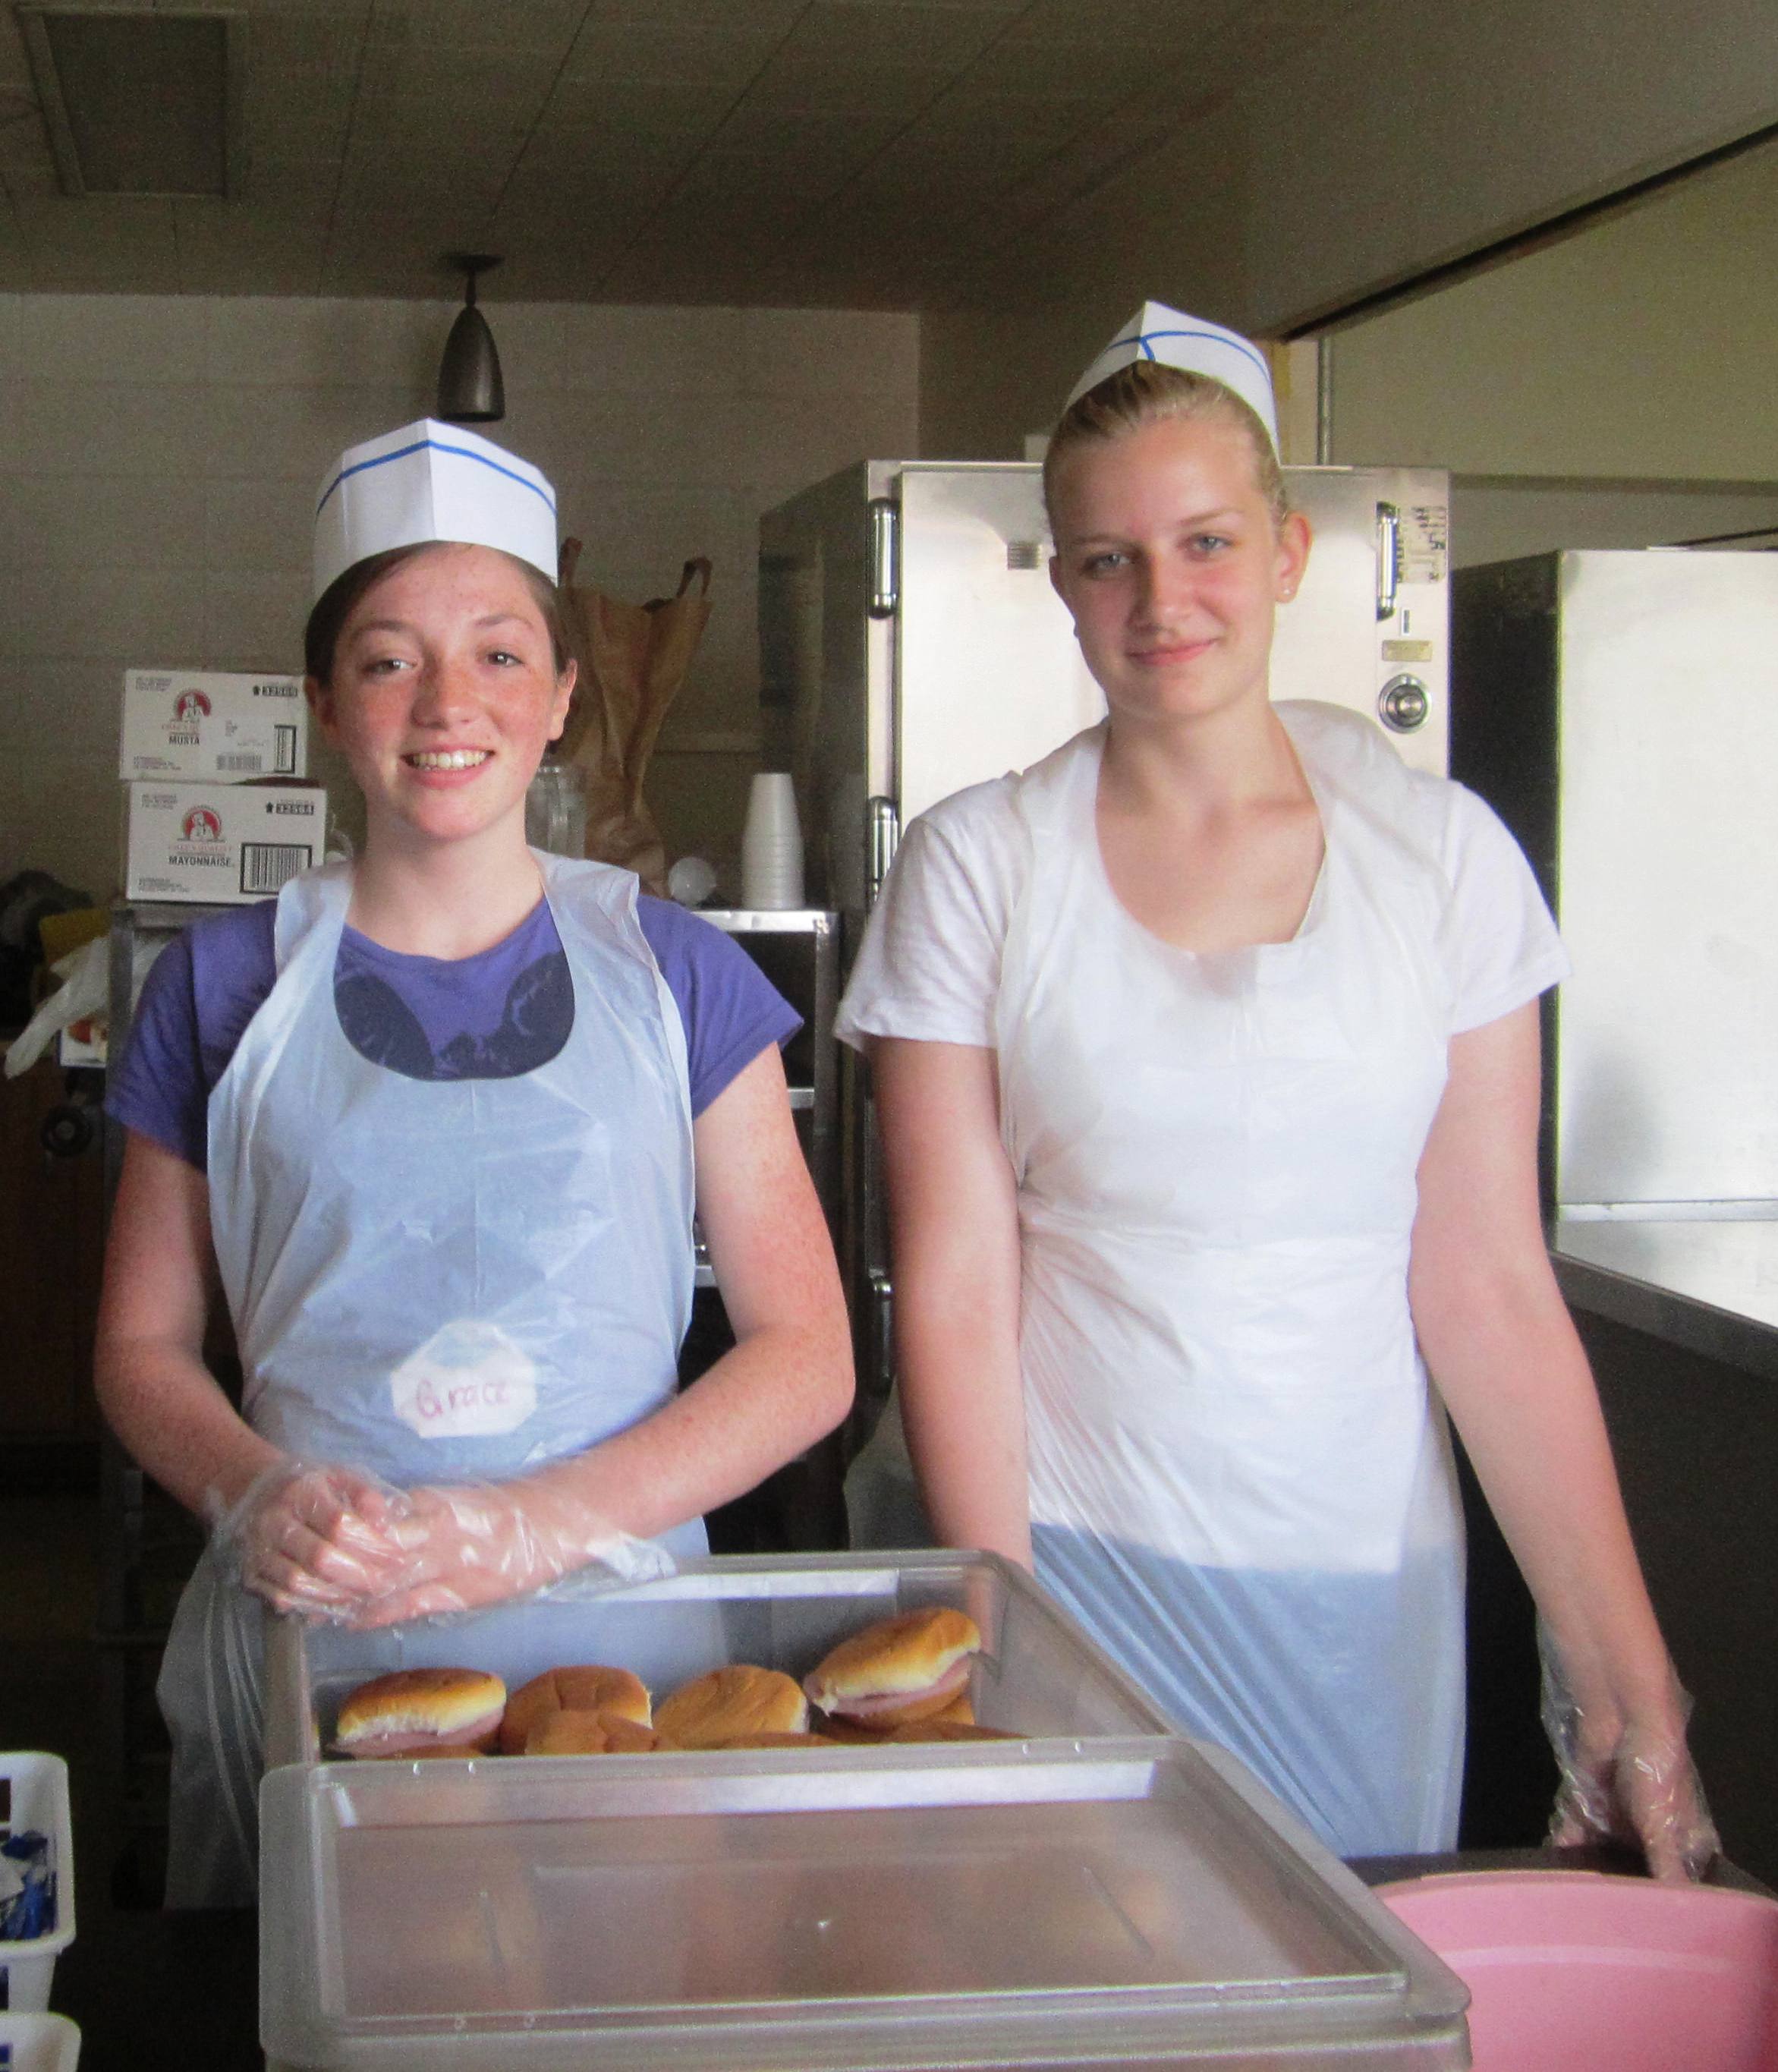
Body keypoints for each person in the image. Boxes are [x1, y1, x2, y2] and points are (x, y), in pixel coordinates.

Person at [835, 306, 1715, 1876]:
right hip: (1066, 1547)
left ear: (1289, 551)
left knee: (1341, 1996)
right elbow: (957, 1286)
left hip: (1352, 1578)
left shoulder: (1441, 864)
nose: (1160, 599)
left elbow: (1486, 1284)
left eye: (1204, 543)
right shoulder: (978, 862)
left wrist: (1620, 1673)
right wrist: (997, 1621)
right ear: (1057, 582)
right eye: (1106, 559)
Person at [96, 420, 853, 1905]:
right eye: (387, 658)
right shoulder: (226, 982)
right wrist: (255, 1493)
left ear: (566, 695)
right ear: (324, 700)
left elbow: (806, 1354)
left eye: (500, 653)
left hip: (612, 1659)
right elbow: (139, 1345)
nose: (446, 703)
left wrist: (536, 1523)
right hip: (313, 1644)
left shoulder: (673, 974)